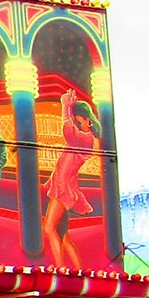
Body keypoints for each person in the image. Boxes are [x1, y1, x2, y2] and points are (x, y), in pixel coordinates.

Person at [41, 89, 98, 273]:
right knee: (62, 234)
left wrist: (66, 107)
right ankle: (80, 269)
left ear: (88, 120)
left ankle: (61, 268)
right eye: (76, 121)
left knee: (49, 228)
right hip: (62, 187)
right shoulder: (80, 139)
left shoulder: (84, 139)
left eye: (79, 121)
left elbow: (67, 130)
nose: (76, 125)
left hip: (63, 190)